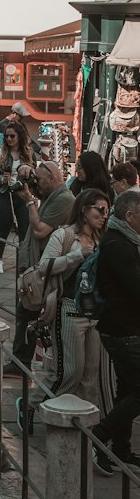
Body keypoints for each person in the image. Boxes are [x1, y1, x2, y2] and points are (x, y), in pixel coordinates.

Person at [17, 188, 108, 434]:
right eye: (99, 210)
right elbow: (44, 267)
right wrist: (77, 256)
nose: (104, 215)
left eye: (106, 211)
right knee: (69, 372)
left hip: (95, 314)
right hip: (68, 308)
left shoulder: (103, 239)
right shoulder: (64, 235)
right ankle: (32, 404)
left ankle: (85, 430)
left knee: (90, 376)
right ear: (84, 210)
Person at [91, 187, 140, 473]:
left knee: (127, 388)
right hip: (123, 330)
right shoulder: (118, 245)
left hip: (124, 326)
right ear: (131, 216)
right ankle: (99, 435)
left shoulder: (125, 240)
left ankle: (122, 450)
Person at [11, 159, 75, 366]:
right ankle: (22, 360)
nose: (36, 183)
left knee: (28, 311)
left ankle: (21, 362)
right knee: (28, 311)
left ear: (52, 178)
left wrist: (29, 201)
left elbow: (40, 231)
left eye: (39, 179)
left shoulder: (64, 199)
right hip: (42, 265)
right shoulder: (52, 194)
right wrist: (24, 172)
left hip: (48, 268)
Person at [0, 118, 35, 273]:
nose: (9, 139)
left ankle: (22, 261)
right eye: (7, 136)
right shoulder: (1, 154)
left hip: (22, 195)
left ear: (19, 137)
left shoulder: (28, 154)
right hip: (5, 194)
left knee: (24, 229)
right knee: (3, 227)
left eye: (12, 136)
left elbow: (35, 174)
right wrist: (0, 179)